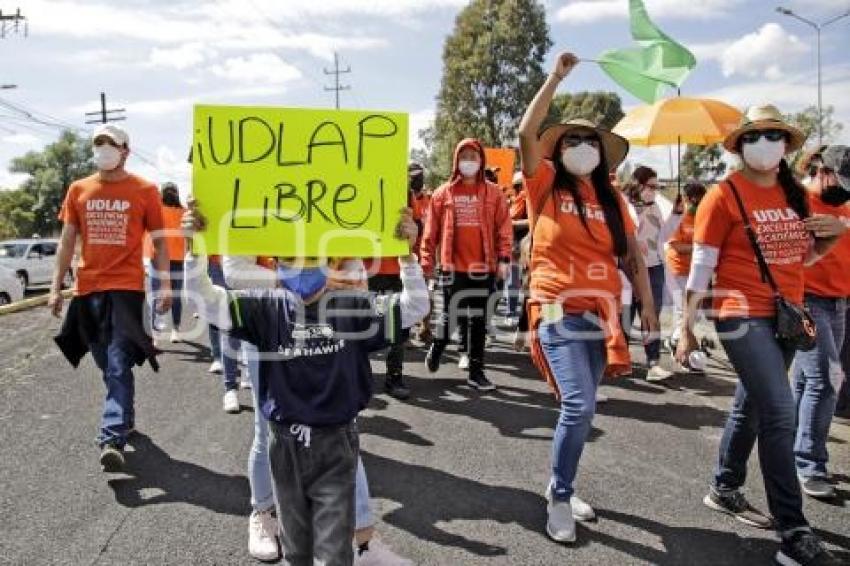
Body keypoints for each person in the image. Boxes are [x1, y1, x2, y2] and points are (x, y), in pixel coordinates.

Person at [184, 203, 428, 565]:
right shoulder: (264, 307)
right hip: (283, 445)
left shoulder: (353, 307)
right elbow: (205, 299)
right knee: (296, 548)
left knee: (331, 552)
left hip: (336, 444)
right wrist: (195, 249)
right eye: (289, 258)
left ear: (327, 260)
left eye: (310, 256)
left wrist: (407, 255)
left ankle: (359, 544)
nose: (300, 266)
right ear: (277, 263)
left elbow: (414, 306)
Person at [676, 104, 844, 566]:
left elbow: (801, 259)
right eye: (754, 136)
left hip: (786, 316)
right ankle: (794, 531)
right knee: (780, 412)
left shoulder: (796, 195)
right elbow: (701, 267)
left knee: (753, 404)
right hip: (738, 314)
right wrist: (685, 327)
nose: (763, 143)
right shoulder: (723, 195)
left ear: (786, 145)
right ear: (740, 145)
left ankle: (725, 486)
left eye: (773, 135)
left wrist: (829, 238)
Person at [518, 51, 659, 545]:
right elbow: (523, 134)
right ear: (559, 149)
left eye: (588, 140)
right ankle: (558, 496)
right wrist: (556, 78)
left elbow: (634, 261)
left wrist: (649, 312)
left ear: (602, 153)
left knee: (580, 406)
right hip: (556, 309)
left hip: (605, 318)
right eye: (572, 139)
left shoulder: (613, 201)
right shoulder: (545, 187)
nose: (580, 145)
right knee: (578, 406)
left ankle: (565, 482)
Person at [50, 124, 171, 471]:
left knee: (118, 362)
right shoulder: (78, 189)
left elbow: (161, 242)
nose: (103, 149)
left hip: (126, 290)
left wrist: (165, 285)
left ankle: (112, 435)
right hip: (88, 290)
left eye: (111, 144)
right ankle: (125, 417)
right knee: (106, 364)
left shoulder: (145, 190)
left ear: (125, 150)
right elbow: (67, 242)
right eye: (98, 144)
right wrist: (56, 287)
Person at [421, 138, 513, 391]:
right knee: (452, 317)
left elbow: (504, 229)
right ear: (456, 161)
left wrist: (505, 258)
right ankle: (437, 348)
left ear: (481, 160)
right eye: (464, 156)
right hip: (452, 268)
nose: (469, 162)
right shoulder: (442, 194)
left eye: (474, 157)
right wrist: (427, 264)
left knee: (479, 321)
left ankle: (476, 372)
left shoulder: (494, 194)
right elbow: (430, 232)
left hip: (484, 268)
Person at [791, 145, 850, 500]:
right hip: (806, 302)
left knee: (804, 383)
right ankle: (810, 463)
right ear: (820, 169)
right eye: (841, 179)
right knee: (828, 380)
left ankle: (793, 450)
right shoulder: (798, 203)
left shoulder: (843, 206)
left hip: (839, 304)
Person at [364, 162, 431, 400]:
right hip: (365, 268)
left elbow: (418, 225)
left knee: (398, 326)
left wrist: (413, 230)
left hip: (396, 269)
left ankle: (395, 376)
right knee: (362, 324)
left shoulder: (405, 193)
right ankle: (362, 374)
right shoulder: (361, 186)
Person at [624, 166, 678, 381]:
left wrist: (676, 215)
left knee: (652, 315)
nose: (655, 191)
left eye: (657, 187)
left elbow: (663, 236)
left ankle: (653, 363)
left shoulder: (656, 207)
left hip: (655, 267)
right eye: (651, 186)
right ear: (639, 184)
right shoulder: (625, 206)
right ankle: (620, 359)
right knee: (625, 314)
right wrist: (635, 245)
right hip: (630, 268)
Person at [664, 181, 707, 361]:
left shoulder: (704, 217)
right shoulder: (677, 218)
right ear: (689, 199)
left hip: (696, 271)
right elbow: (677, 247)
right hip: (677, 270)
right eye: (698, 198)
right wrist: (698, 248)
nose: (701, 202)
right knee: (684, 311)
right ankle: (676, 341)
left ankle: (675, 339)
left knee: (694, 314)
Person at [148, 182, 186, 342]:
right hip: (160, 258)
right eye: (168, 191)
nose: (170, 193)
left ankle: (171, 330)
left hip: (172, 258)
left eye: (172, 191)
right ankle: (159, 331)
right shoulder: (155, 211)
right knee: (160, 295)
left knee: (168, 295)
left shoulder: (184, 212)